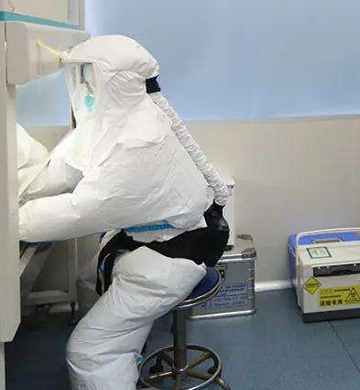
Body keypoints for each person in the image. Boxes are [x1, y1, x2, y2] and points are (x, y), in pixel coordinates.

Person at [17, 35, 230, 390]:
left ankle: (114, 355)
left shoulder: (138, 142)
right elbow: (63, 168)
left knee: (90, 352)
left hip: (169, 261)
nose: (84, 88)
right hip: (150, 244)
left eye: (89, 77)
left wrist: (10, 221)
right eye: (80, 77)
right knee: (88, 281)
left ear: (112, 81)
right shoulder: (119, 121)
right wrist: (19, 190)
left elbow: (82, 210)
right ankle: (126, 342)